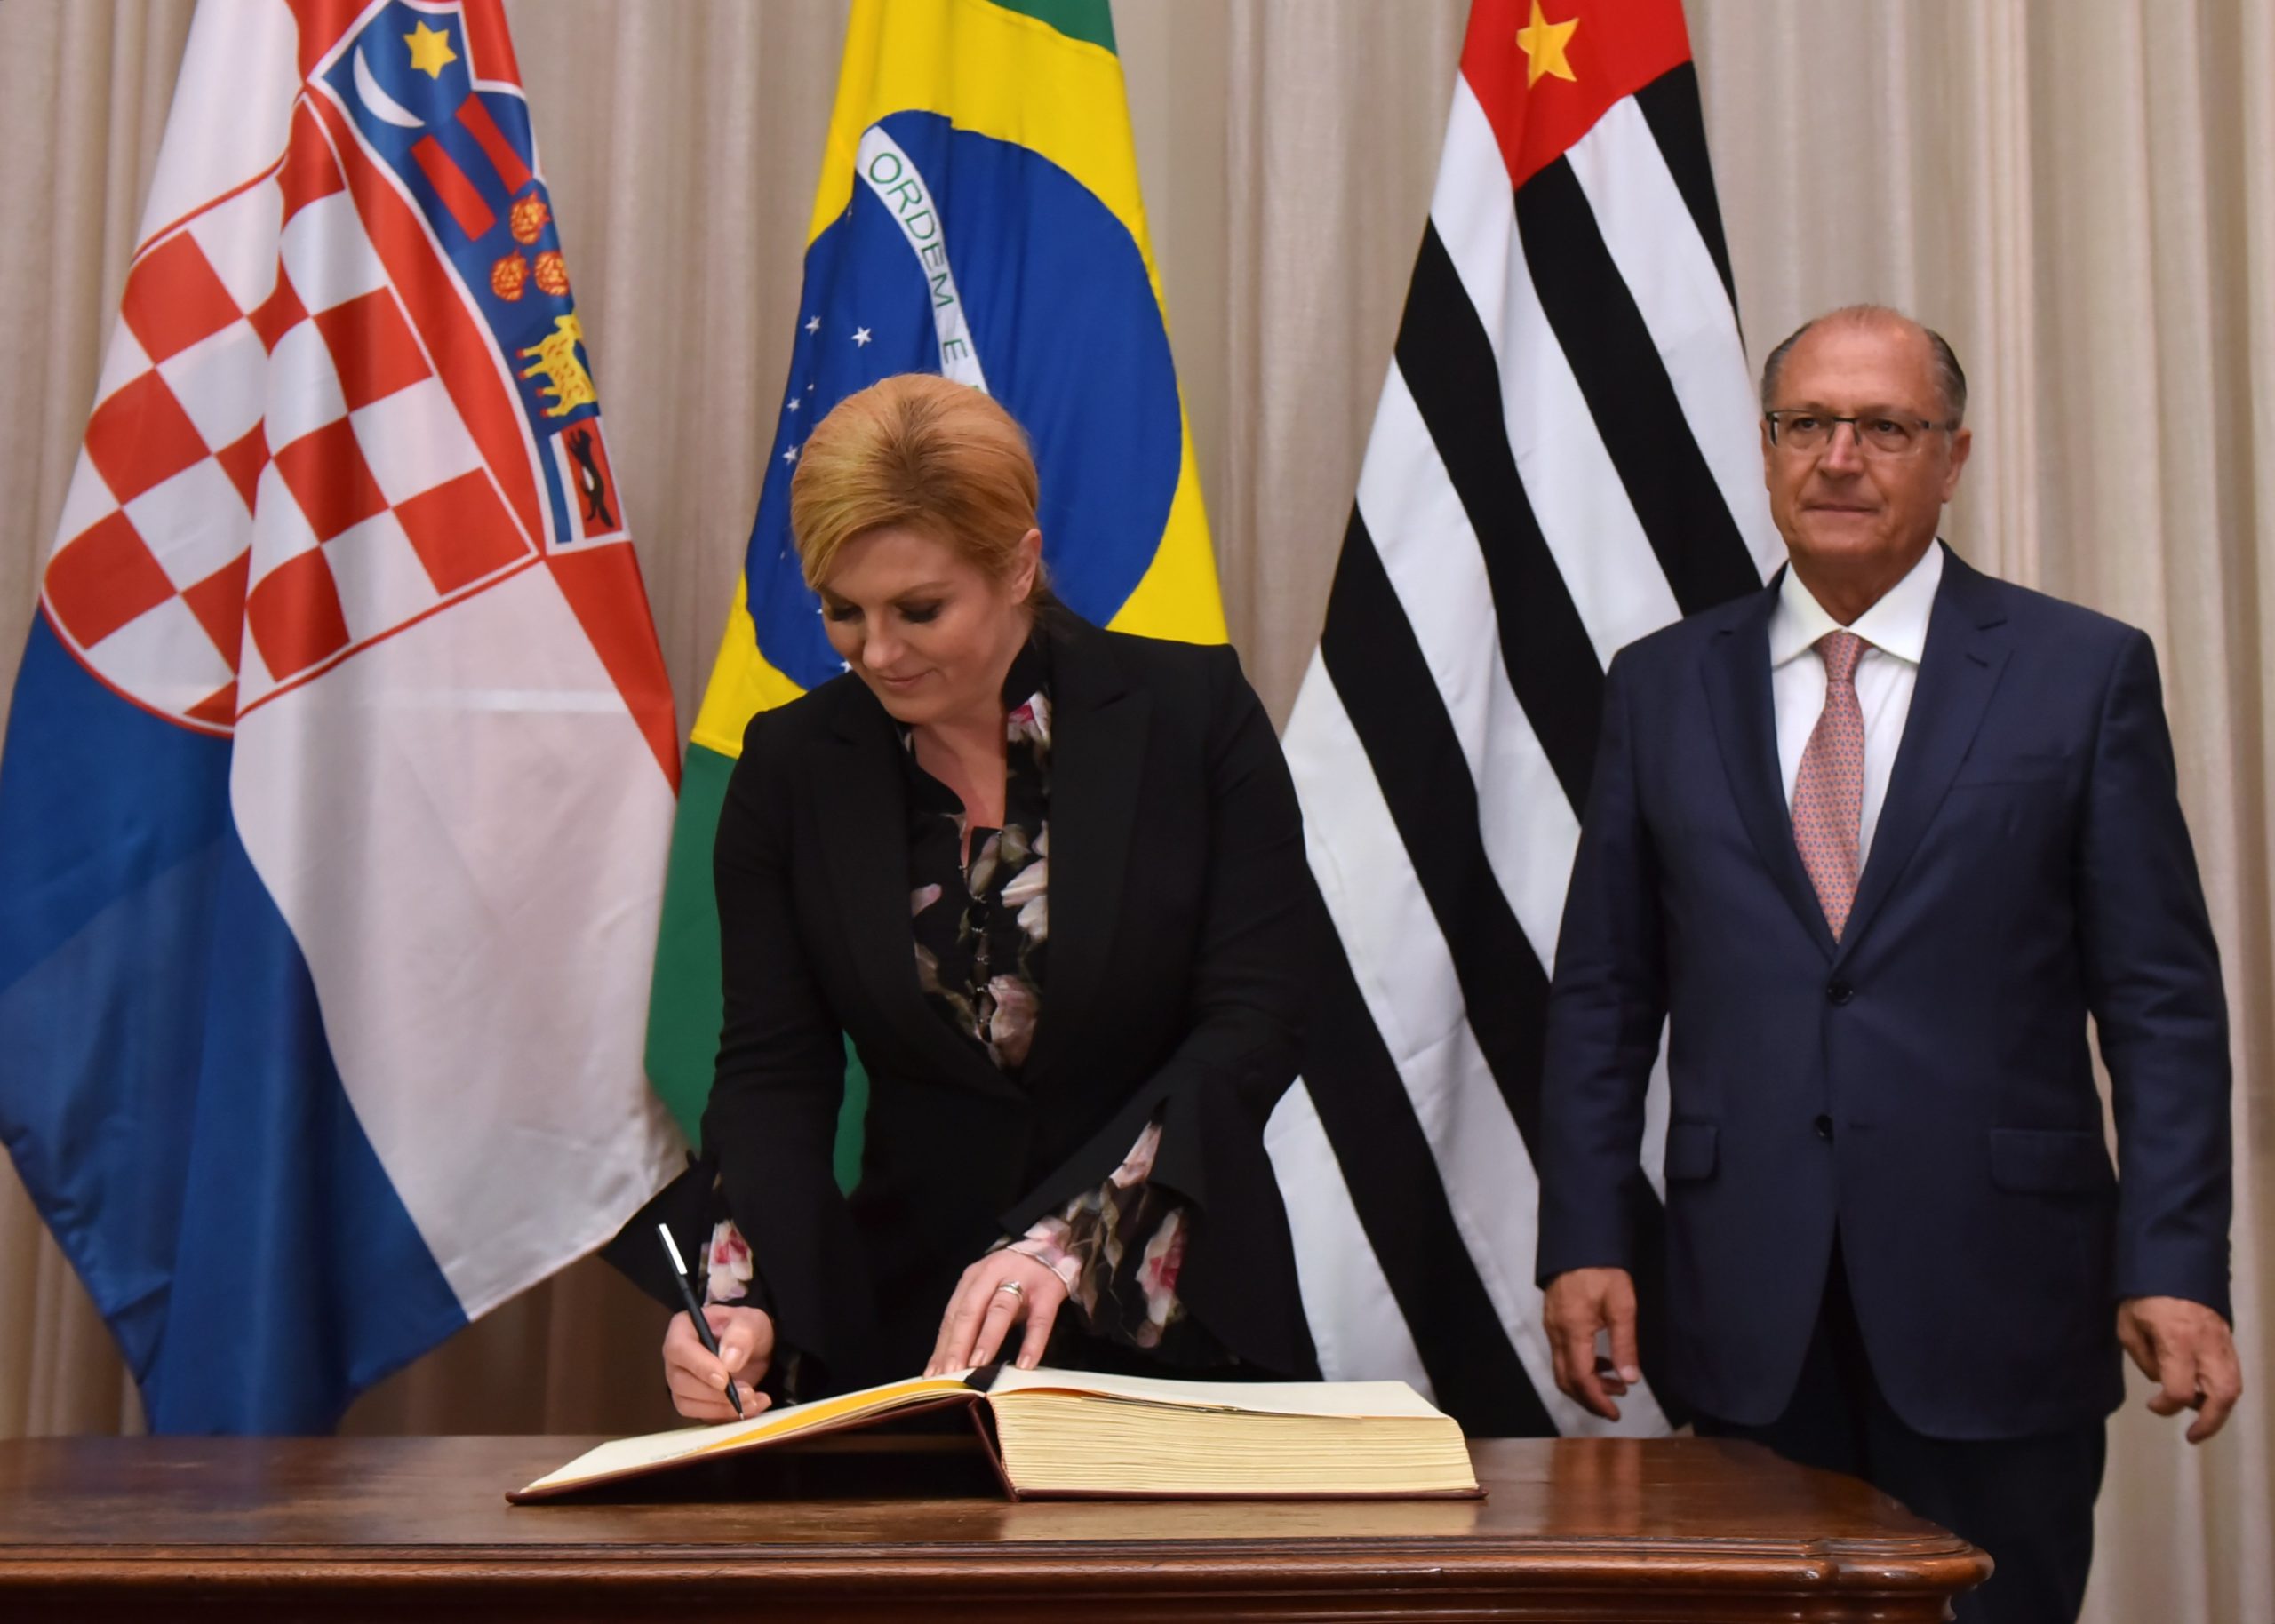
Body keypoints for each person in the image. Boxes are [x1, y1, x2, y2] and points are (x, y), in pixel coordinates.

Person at [1535, 306, 2241, 1623]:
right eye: (1807, 423)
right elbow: (1604, 997)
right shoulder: (1661, 685)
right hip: (1744, 1308)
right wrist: (1582, 1235)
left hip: (2000, 1299)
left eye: (1885, 427)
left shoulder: (2080, 675)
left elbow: (2162, 1008)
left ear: (1953, 456)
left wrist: (2175, 1260)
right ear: (1766, 447)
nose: (1840, 457)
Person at [651, 372, 1316, 1421]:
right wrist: (737, 1297)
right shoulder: (791, 768)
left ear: (1018, 564)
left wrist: (1066, 1240)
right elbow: (772, 1072)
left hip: (1175, 1327)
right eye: (842, 610)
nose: (877, 652)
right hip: (910, 1339)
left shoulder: (1193, 718)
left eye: (919, 609)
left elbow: (1258, 1019)